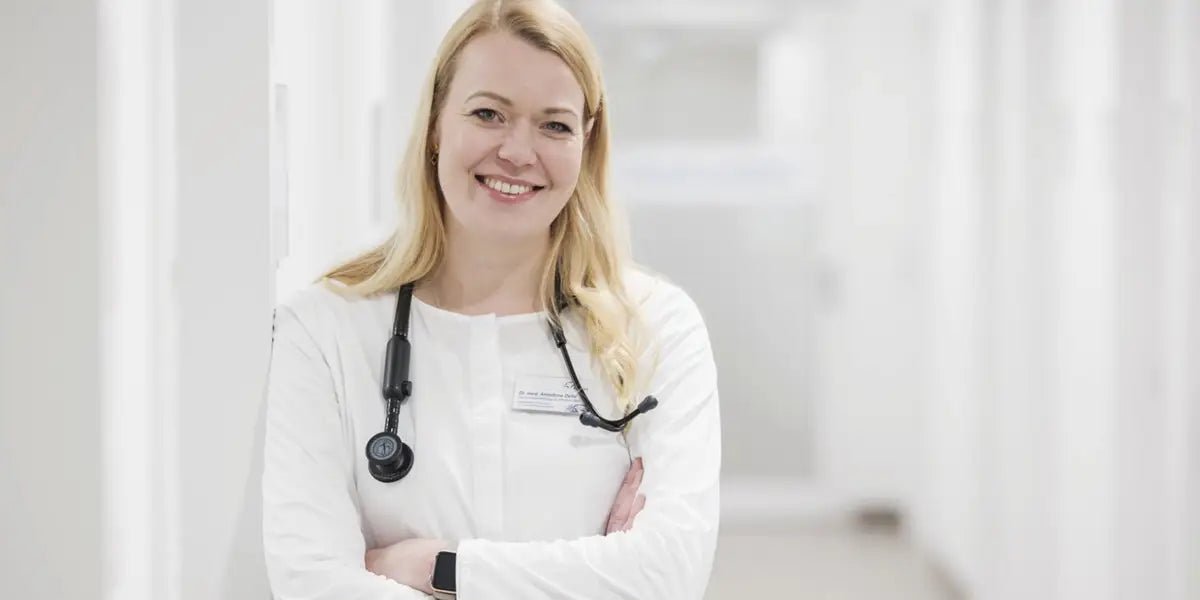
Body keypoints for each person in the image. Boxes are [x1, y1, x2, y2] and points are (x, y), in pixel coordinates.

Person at [261, 0, 721, 598]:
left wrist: (439, 568)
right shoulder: (324, 331)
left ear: (586, 146)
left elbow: (667, 574)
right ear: (435, 125)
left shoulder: (656, 327)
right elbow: (311, 581)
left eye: (554, 125)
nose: (519, 152)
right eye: (488, 114)